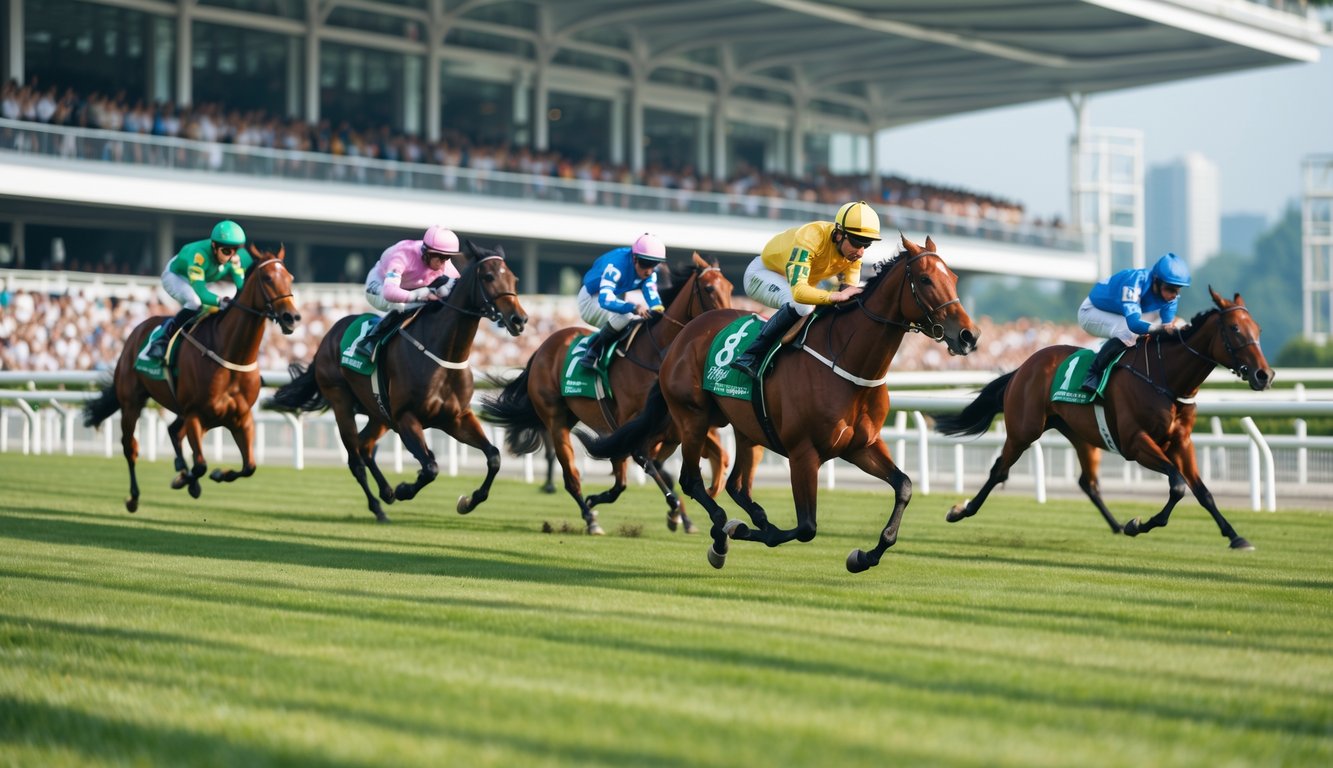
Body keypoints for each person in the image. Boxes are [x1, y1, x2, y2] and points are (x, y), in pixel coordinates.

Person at [729, 200, 880, 379]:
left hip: (796, 283)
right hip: (763, 274)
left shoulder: (853, 256)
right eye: (856, 242)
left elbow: (849, 293)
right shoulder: (811, 236)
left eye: (867, 244)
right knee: (803, 306)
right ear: (839, 234)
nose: (861, 252)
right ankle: (751, 356)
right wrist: (836, 295)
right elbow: (799, 293)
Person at [1077, 251, 1192, 394]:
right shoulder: (1135, 282)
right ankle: (1092, 374)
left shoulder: (1171, 298)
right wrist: (1161, 329)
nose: (1174, 295)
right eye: (1170, 289)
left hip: (1117, 314)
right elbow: (1134, 325)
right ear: (1156, 280)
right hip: (1092, 311)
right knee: (1129, 332)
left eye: (1177, 290)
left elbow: (1167, 327)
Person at [145, 219, 251, 359]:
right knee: (195, 302)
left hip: (201, 279)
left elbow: (242, 287)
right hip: (177, 276)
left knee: (209, 308)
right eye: (226, 251)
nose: (231, 256)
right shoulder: (199, 256)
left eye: (235, 251)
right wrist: (222, 302)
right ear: (214, 246)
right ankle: (163, 338)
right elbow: (202, 294)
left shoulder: (233, 258)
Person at [355, 224, 462, 357]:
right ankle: (371, 340)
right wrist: (418, 295)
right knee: (406, 305)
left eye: (447, 258)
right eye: (440, 257)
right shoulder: (404, 255)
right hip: (380, 286)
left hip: (409, 288)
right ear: (427, 252)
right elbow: (390, 293)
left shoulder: (444, 263)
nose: (443, 263)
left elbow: (460, 287)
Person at [576, 233, 667, 369]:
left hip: (614, 296)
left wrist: (658, 310)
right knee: (627, 316)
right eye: (645, 264)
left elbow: (652, 295)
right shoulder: (616, 266)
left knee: (639, 320)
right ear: (635, 258)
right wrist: (634, 307)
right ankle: (593, 350)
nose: (648, 271)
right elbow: (605, 300)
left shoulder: (648, 271)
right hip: (590, 299)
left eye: (653, 265)